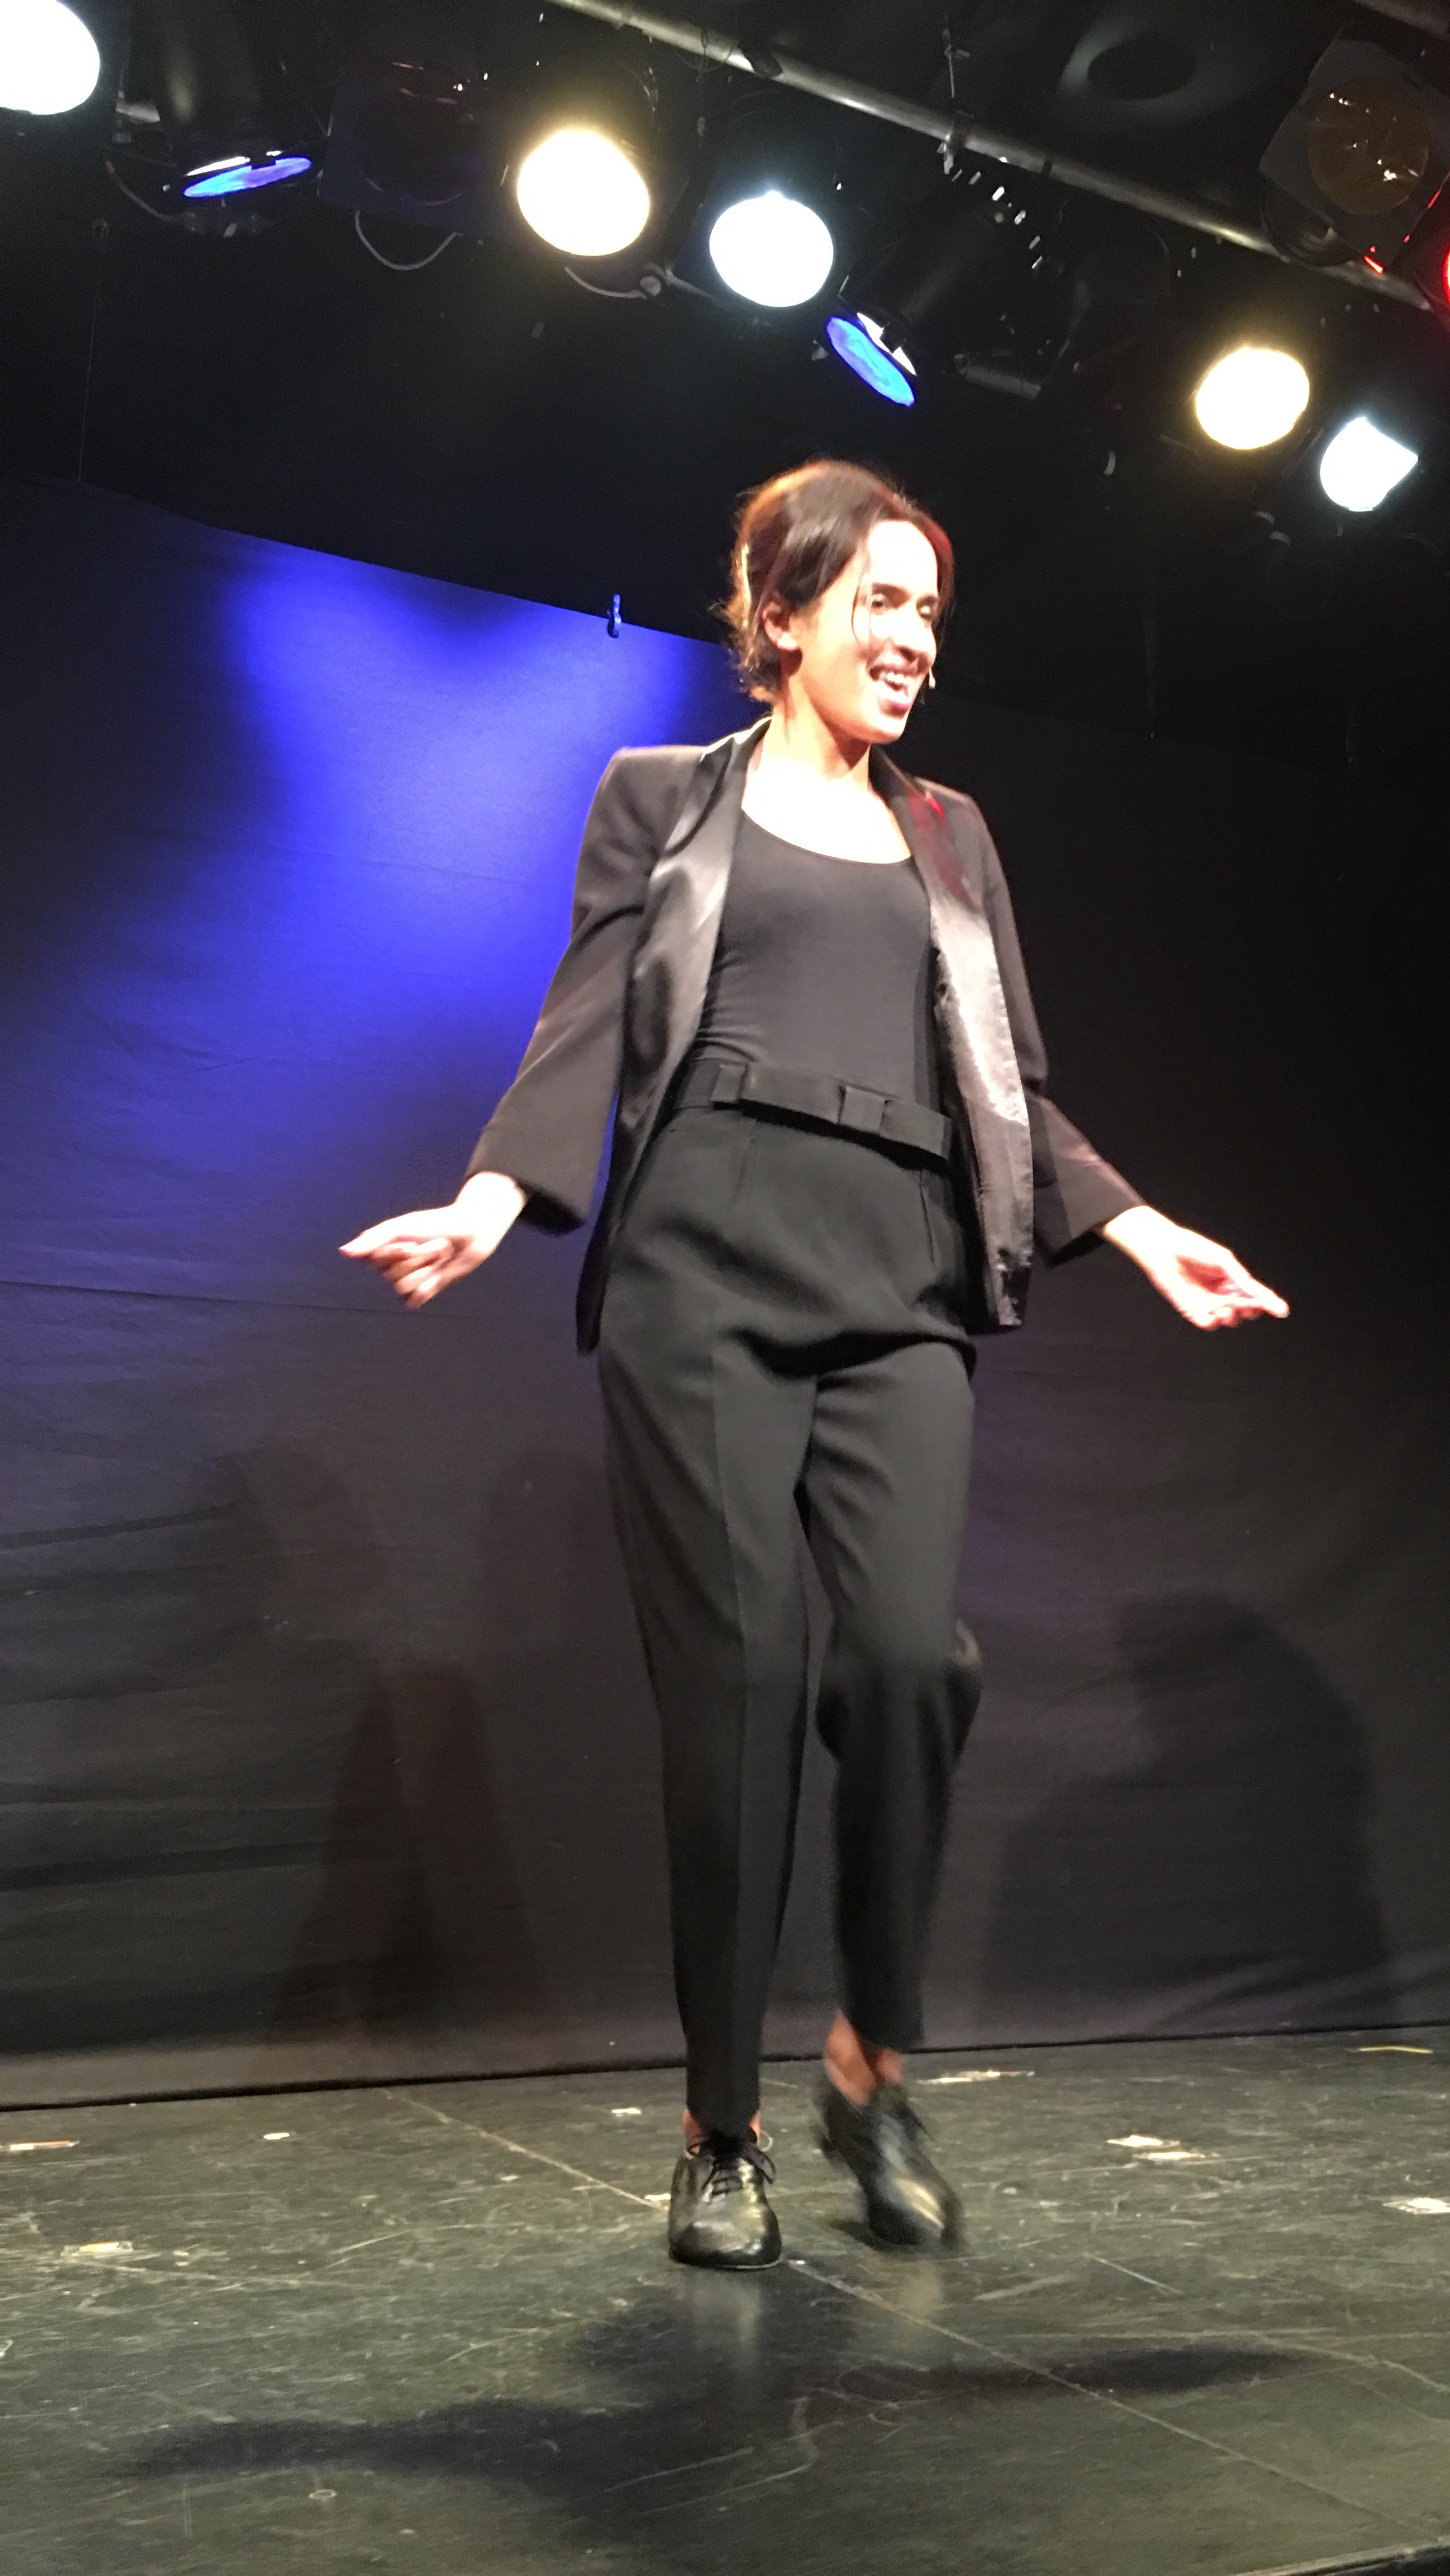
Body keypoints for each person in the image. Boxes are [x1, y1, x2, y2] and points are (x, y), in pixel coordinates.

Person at [342, 459, 1285, 2270]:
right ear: (780, 616)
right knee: (739, 1696)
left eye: (932, 611)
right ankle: (723, 2128)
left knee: (911, 1664)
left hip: (902, 1278)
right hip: (702, 1271)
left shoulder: (954, 837)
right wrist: (491, 1197)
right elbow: (585, 1021)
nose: (915, 639)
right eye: (881, 603)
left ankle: (873, 2068)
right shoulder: (663, 800)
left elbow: (1010, 1083)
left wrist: (1140, 1227)